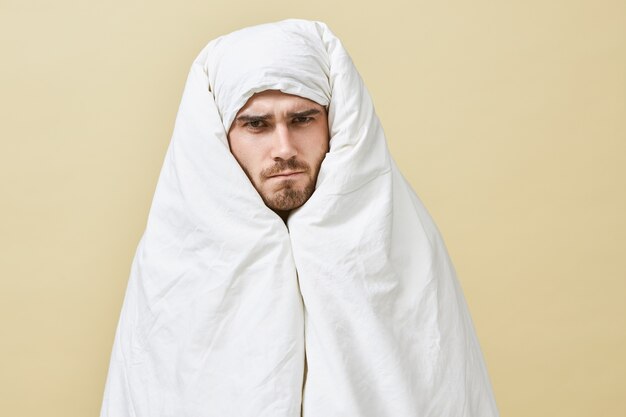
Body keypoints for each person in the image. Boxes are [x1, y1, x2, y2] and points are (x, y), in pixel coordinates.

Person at [100, 19, 500, 417]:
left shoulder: (404, 243)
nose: (284, 148)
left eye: (303, 119)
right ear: (220, 137)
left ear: (338, 121)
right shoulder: (170, 262)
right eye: (256, 125)